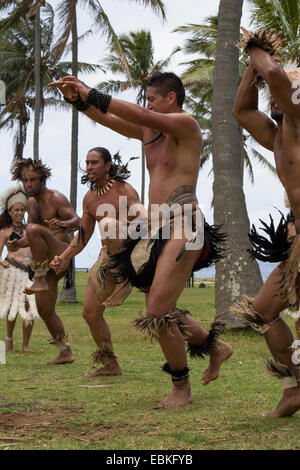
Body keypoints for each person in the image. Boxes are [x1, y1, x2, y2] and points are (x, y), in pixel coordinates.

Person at [49, 71, 233, 409]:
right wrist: (78, 101)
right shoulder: (151, 133)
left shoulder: (186, 125)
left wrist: (92, 91)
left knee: (156, 310)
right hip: (159, 229)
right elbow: (109, 120)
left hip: (185, 222)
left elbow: (141, 114)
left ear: (171, 99)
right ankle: (214, 347)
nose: (147, 105)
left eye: (151, 98)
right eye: (146, 99)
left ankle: (182, 388)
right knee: (160, 303)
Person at [232, 28, 300, 417]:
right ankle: (293, 387)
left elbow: (276, 77)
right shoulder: (276, 135)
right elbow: (241, 111)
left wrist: (257, 48)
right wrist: (251, 65)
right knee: (262, 310)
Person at [50, 147, 144, 376]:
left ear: (107, 165)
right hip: (107, 257)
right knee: (90, 313)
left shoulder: (125, 190)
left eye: (94, 162)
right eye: (87, 163)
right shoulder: (90, 198)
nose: (89, 167)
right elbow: (82, 237)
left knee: (110, 225)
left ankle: (125, 280)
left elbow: (143, 223)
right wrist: (63, 258)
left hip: (133, 253)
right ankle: (111, 364)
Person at [8, 158, 80, 365]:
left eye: (32, 180)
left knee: (30, 229)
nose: (28, 184)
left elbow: (77, 221)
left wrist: (62, 223)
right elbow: (31, 235)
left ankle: (39, 278)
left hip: (61, 252)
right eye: (25, 180)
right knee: (44, 310)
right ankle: (65, 351)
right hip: (46, 263)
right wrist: (18, 244)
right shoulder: (32, 203)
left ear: (43, 179)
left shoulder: (55, 198)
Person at [0, 183, 39, 353]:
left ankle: (25, 345)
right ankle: (9, 341)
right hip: (13, 272)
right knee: (13, 307)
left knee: (30, 307)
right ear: (9, 211)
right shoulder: (5, 231)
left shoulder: (29, 229)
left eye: (21, 210)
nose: (19, 213)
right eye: (15, 210)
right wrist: (2, 263)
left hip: (30, 271)